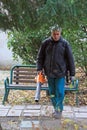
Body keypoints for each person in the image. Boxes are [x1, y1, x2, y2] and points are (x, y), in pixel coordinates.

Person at [36, 24, 75, 118]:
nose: (56, 36)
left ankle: (58, 110)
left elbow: (70, 59)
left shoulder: (64, 44)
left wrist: (72, 74)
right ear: (51, 34)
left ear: (60, 33)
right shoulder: (45, 43)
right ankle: (55, 108)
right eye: (54, 34)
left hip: (61, 73)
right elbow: (40, 57)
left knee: (60, 92)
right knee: (52, 93)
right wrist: (39, 68)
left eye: (58, 34)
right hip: (49, 73)